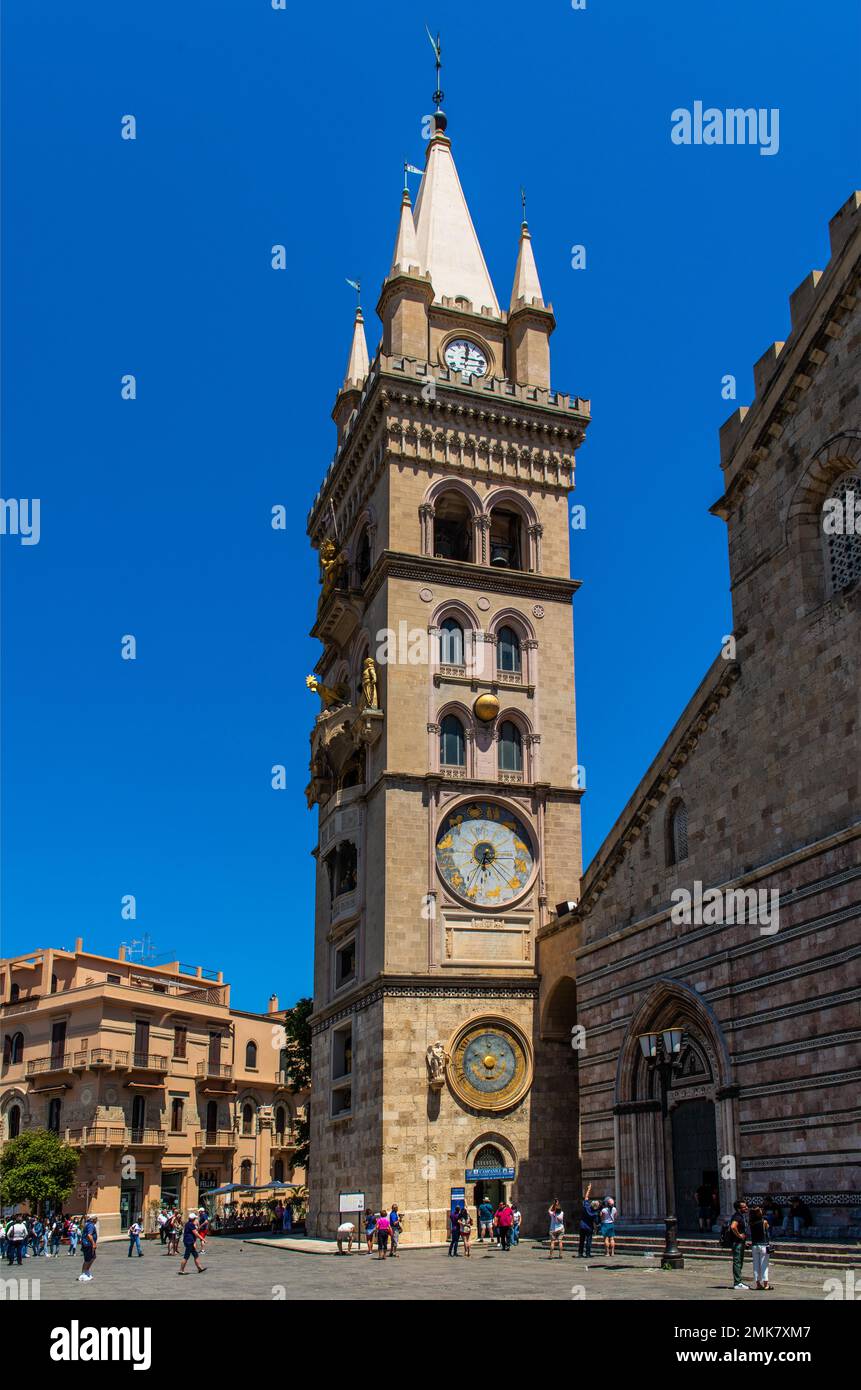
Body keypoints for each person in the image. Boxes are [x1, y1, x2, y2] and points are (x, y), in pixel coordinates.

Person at [749, 1205, 772, 1290]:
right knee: (764, 1265)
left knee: (756, 1265)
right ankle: (766, 1284)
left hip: (754, 1245)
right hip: (763, 1245)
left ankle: (758, 1284)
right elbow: (767, 1229)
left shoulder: (751, 1223)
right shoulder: (764, 1222)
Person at [729, 1200, 749, 1289]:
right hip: (737, 1243)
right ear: (739, 1208)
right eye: (744, 1207)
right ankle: (737, 1283)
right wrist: (740, 1236)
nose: (746, 1208)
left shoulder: (740, 1216)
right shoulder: (737, 1216)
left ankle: (738, 1281)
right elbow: (733, 1227)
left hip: (740, 1242)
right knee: (737, 1262)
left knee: (739, 1262)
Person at [578, 1183, 598, 1257]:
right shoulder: (595, 1213)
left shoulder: (586, 1207)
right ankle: (588, 1253)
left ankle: (580, 1253)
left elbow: (586, 1197)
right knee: (588, 1241)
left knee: (581, 1240)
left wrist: (589, 1189)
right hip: (589, 1227)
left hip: (582, 1226)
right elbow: (596, 1222)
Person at [79, 1214, 98, 1282]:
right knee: (87, 1259)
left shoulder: (88, 1224)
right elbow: (89, 1235)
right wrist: (93, 1243)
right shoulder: (90, 1225)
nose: (97, 1220)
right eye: (96, 1218)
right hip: (88, 1244)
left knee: (92, 1257)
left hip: (87, 1244)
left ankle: (87, 1271)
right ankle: (83, 1274)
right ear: (94, 1219)